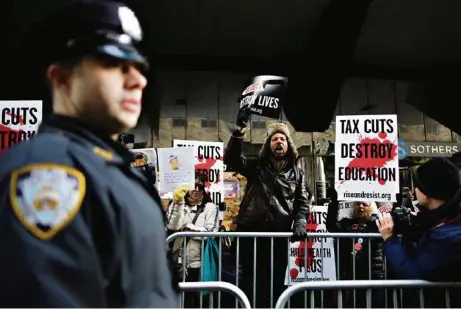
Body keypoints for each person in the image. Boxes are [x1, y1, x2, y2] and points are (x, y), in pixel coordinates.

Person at [0, 1, 178, 307]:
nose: (138, 81)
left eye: (139, 67)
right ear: (61, 77)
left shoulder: (112, 170)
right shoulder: (45, 174)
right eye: (114, 64)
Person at [224, 106, 310, 308]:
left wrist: (300, 222)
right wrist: (239, 131)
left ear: (288, 145)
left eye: (282, 139)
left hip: (278, 238)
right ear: (268, 145)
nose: (278, 142)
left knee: (275, 283)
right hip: (251, 235)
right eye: (274, 139)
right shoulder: (256, 167)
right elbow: (232, 159)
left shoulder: (298, 175)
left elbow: (302, 204)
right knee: (250, 283)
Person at [377, 158, 461, 308]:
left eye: (417, 185)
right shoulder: (450, 218)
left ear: (426, 194)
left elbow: (413, 273)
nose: (414, 190)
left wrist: (389, 239)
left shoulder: (445, 238)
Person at [166, 175, 219, 308]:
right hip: (177, 264)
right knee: (180, 302)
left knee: (201, 303)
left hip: (199, 264)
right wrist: (178, 203)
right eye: (192, 186)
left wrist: (188, 227)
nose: (196, 189)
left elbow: (210, 233)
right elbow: (172, 226)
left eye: (200, 186)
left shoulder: (210, 207)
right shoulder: (176, 203)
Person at [326, 198, 385, 308]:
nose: (360, 206)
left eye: (365, 204)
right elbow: (331, 227)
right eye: (358, 204)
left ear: (371, 208)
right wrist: (334, 202)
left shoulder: (376, 225)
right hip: (351, 277)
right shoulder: (345, 224)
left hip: (373, 277)